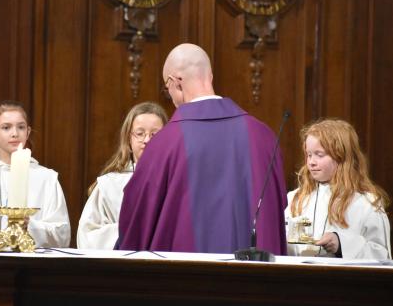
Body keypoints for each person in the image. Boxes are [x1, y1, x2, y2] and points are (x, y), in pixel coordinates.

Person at [117, 43, 287, 254]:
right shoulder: (263, 137)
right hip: (253, 280)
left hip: (188, 280)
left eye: (166, 88)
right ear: (210, 76)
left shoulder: (164, 144)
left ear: (175, 82)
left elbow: (137, 219)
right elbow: (277, 209)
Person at [285, 119, 391, 259]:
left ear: (341, 156)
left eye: (319, 154)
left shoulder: (366, 203)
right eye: (309, 154)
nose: (311, 162)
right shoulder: (295, 199)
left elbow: (381, 255)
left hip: (341, 279)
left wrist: (341, 244)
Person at [0, 100, 70, 248]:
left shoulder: (47, 178)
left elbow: (61, 233)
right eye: (6, 127)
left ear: (28, 132)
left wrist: (29, 226)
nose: (15, 134)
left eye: (21, 127)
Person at [77, 102, 168, 249]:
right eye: (140, 133)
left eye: (155, 134)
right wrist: (130, 230)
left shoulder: (174, 182)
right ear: (128, 139)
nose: (147, 140)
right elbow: (87, 235)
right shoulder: (109, 184)